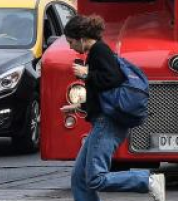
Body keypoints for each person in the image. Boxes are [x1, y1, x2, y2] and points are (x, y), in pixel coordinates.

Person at [63, 15, 165, 201]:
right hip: (103, 120)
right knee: (79, 177)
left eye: (71, 42)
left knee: (95, 178)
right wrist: (79, 105)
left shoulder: (99, 51)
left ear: (82, 38)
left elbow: (112, 79)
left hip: (107, 122)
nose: (71, 47)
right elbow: (104, 92)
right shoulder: (97, 51)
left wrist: (87, 75)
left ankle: (147, 181)